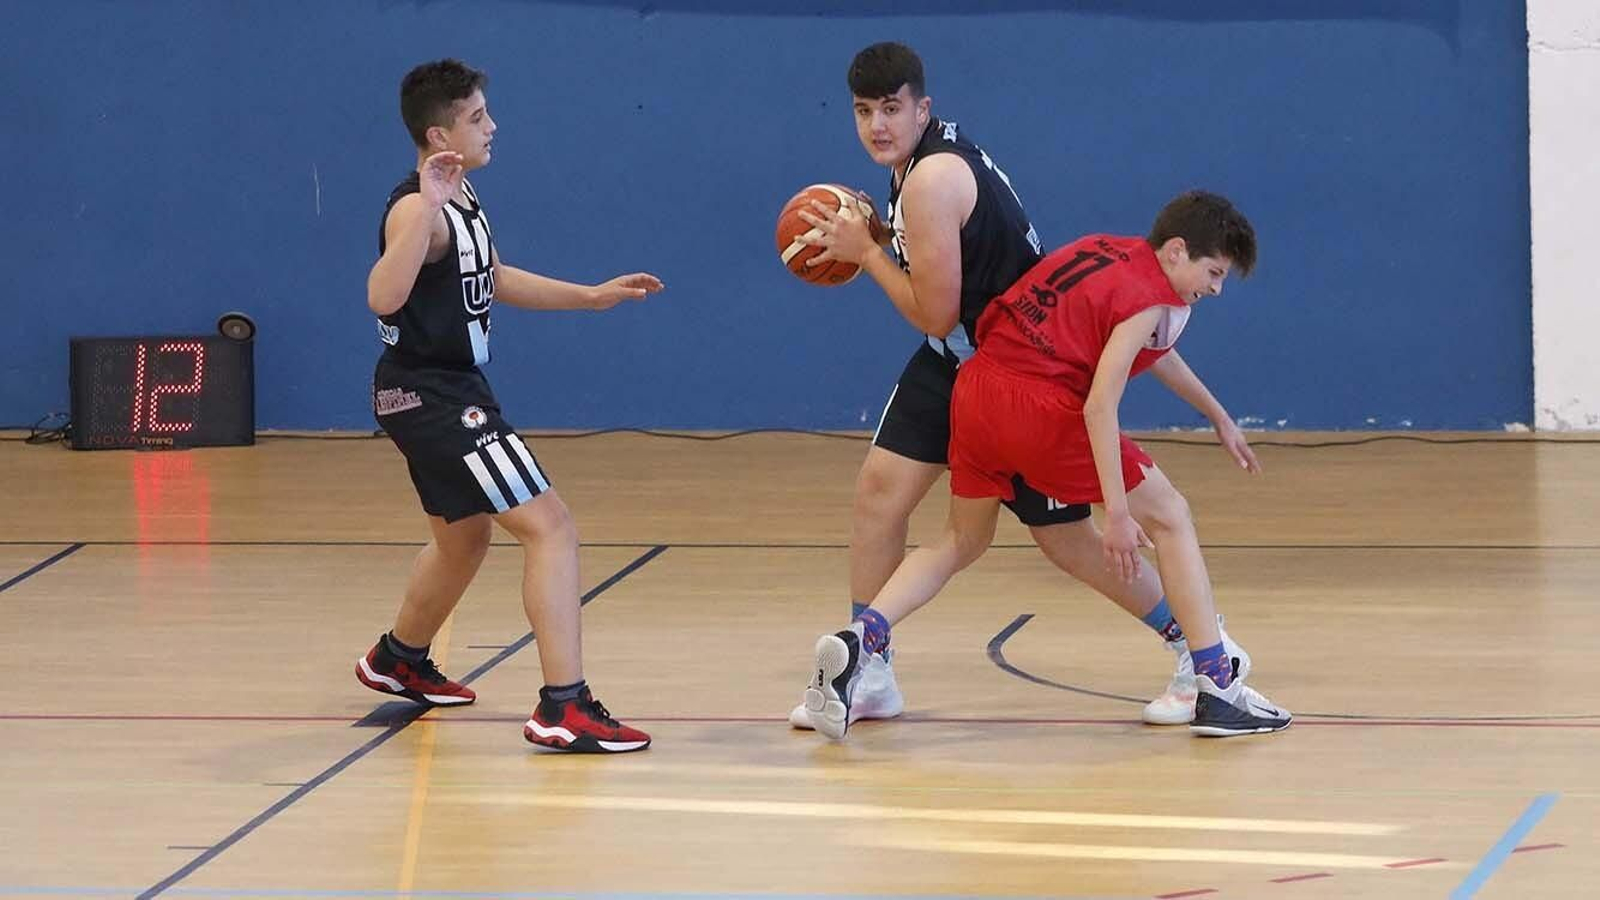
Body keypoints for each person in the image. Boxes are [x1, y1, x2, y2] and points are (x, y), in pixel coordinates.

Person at [789, 42, 1251, 730]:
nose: (877, 125)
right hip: (960, 359)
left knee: (1066, 541)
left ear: (923, 108)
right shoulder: (915, 164)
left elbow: (934, 307)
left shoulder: (931, 180)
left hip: (1016, 363)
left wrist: (868, 256)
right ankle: (868, 669)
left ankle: (1199, 647)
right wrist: (883, 239)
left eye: (891, 109)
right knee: (881, 495)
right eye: (863, 111)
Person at [805, 190, 1292, 740]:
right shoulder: (1151, 300)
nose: (1215, 288)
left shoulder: (1107, 250)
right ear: (1177, 251)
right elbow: (1100, 403)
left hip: (978, 390)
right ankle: (1217, 685)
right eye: (1215, 272)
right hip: (1041, 409)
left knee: (960, 540)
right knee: (1171, 515)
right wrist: (1116, 512)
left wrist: (1217, 414)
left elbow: (1142, 346)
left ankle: (859, 639)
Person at [354, 59, 661, 754]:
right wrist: (426, 208)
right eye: (477, 117)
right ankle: (565, 706)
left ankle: (399, 657)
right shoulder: (418, 208)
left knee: (465, 537)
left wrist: (589, 295)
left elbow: (488, 274)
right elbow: (381, 294)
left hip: (436, 390)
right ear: (441, 134)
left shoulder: (460, 198)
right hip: (433, 395)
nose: (493, 126)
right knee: (550, 527)